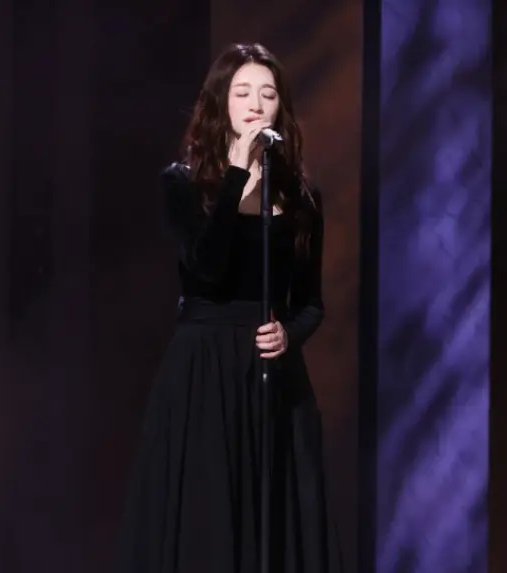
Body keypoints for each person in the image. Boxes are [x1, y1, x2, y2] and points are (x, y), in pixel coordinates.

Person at [116, 43, 343, 573]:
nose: (256, 105)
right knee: (209, 523)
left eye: (268, 94)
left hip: (272, 377)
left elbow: (311, 302)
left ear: (281, 108)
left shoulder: (302, 196)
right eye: (242, 93)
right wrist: (237, 176)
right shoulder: (182, 183)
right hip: (205, 373)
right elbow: (207, 269)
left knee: (275, 525)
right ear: (220, 102)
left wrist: (289, 334)